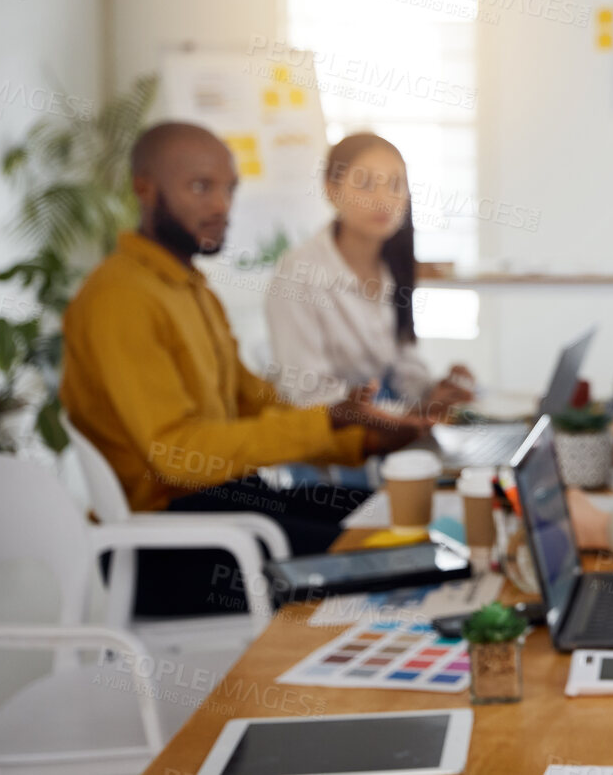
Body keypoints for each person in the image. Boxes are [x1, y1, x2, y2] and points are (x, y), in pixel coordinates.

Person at [60, 122, 430, 617]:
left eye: (229, 189)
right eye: (200, 187)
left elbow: (252, 398)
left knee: (381, 522)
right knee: (384, 554)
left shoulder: (190, 290)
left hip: (220, 502)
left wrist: (359, 434)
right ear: (144, 189)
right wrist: (328, 422)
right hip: (165, 543)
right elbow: (176, 453)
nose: (220, 206)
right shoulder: (121, 298)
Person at [265, 132, 475, 420]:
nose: (383, 200)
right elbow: (307, 393)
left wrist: (435, 391)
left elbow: (402, 362)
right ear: (331, 190)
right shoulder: (297, 273)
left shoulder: (393, 264)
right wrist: (404, 414)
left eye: (396, 185)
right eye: (365, 184)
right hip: (329, 444)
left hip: (388, 430)